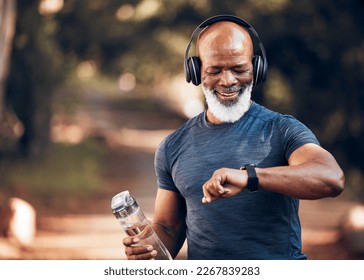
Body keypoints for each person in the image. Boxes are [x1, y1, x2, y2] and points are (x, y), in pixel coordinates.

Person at [122, 15, 345, 260]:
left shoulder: (282, 129)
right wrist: (149, 248)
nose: (227, 81)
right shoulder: (172, 146)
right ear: (196, 72)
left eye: (239, 69)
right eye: (214, 70)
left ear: (257, 68)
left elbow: (332, 178)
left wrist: (250, 176)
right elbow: (168, 228)